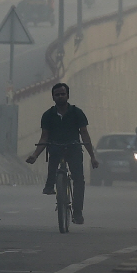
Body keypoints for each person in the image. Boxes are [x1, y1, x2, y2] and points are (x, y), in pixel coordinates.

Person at [26, 83, 99, 225]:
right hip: (55, 147)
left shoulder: (77, 113)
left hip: (74, 148)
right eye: (57, 94)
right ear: (53, 97)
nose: (60, 96)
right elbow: (44, 137)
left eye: (62, 94)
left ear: (68, 95)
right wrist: (35, 155)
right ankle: (49, 186)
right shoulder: (48, 115)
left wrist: (92, 157)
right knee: (53, 160)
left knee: (78, 180)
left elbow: (84, 134)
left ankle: (77, 212)